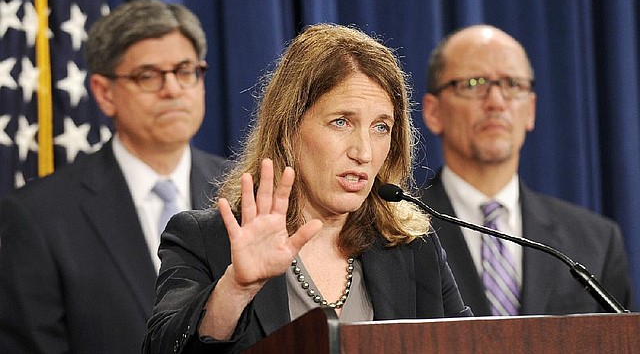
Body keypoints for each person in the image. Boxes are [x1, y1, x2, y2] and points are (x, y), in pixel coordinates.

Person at [142, 23, 472, 353]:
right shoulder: (205, 240)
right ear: (289, 128)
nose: (363, 152)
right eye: (341, 122)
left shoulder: (413, 250)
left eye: (380, 127)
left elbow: (470, 346)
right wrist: (236, 289)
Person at [0, 0, 228, 353]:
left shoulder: (246, 190)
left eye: (185, 71)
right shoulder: (39, 216)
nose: (172, 89)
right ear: (105, 94)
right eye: (148, 75)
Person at [420, 24, 634, 316]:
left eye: (512, 85)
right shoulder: (395, 230)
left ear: (530, 110)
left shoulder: (595, 241)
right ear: (433, 112)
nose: (496, 102)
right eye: (473, 84)